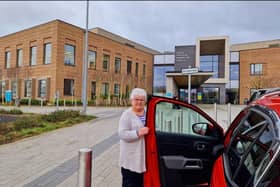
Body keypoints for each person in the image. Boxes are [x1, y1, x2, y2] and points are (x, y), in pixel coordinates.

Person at [118, 88, 149, 187]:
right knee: (130, 183)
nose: (139, 102)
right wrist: (138, 133)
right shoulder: (127, 115)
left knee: (141, 183)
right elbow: (122, 134)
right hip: (130, 158)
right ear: (132, 100)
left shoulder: (148, 113)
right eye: (136, 99)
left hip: (143, 157)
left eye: (142, 100)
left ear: (145, 101)